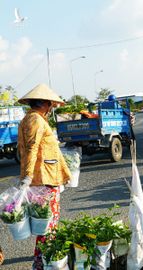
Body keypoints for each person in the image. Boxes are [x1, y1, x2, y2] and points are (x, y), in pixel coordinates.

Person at [17, 83, 71, 270]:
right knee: (48, 223)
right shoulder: (36, 121)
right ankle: (42, 262)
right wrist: (28, 176)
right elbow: (31, 148)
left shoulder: (30, 119)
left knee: (46, 223)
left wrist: (65, 173)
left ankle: (43, 260)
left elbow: (51, 150)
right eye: (50, 105)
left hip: (46, 177)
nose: (51, 108)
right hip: (44, 179)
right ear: (45, 103)